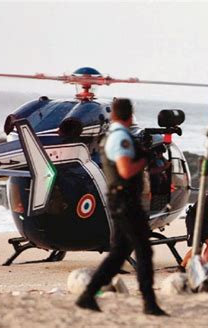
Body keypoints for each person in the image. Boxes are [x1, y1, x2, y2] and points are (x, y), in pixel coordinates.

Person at [75, 98, 167, 316]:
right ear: (130, 115)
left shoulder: (110, 136)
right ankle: (149, 302)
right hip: (126, 201)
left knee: (119, 253)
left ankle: (88, 295)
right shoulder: (121, 138)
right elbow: (126, 171)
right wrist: (144, 160)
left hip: (119, 200)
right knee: (143, 250)